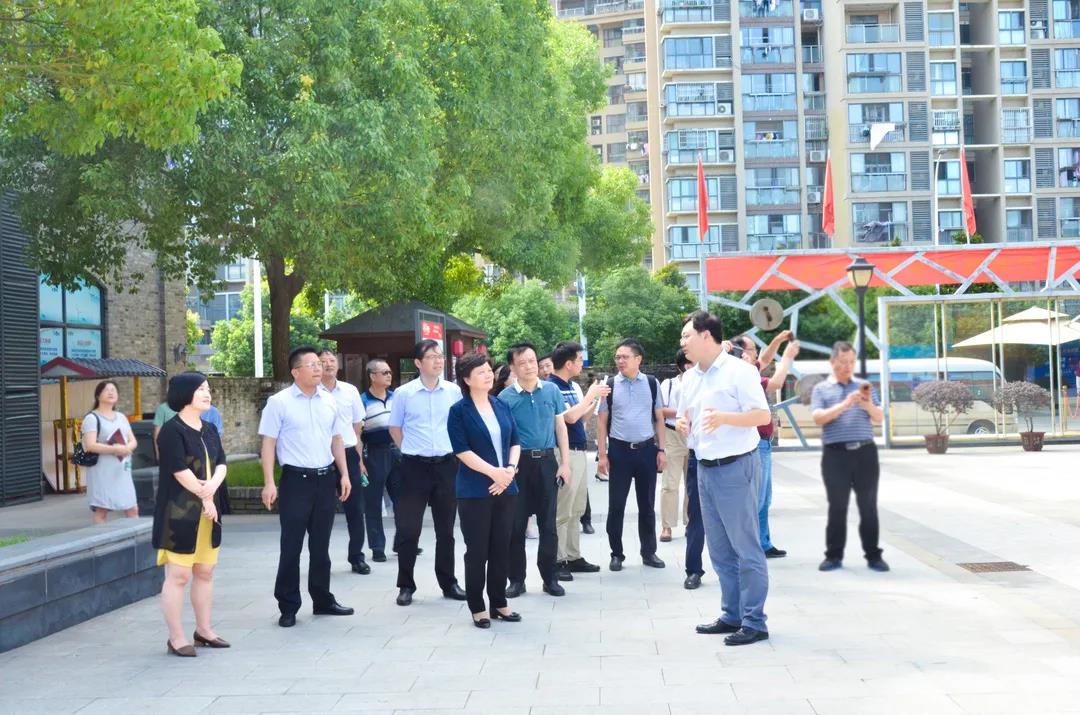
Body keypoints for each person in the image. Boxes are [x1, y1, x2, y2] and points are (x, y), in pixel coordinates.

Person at [677, 310, 772, 646]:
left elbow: (762, 415)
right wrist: (683, 424)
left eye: (687, 336)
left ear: (706, 336)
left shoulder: (740, 371)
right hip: (704, 468)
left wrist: (726, 418)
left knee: (746, 548)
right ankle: (732, 614)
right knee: (719, 550)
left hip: (736, 467)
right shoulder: (690, 378)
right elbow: (684, 417)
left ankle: (754, 621)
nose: (682, 342)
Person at [258, 346, 355, 628]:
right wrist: (269, 482)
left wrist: (344, 474)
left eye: (319, 364)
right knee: (291, 546)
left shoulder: (329, 401)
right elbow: (268, 443)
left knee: (321, 545)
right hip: (295, 481)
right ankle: (288, 605)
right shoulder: (279, 402)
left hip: (325, 479)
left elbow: (337, 439)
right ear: (295, 371)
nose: (318, 368)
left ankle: (323, 599)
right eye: (311, 364)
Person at [153, 372, 230, 657]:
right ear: (185, 394)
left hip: (208, 511)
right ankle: (176, 638)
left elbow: (221, 462)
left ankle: (204, 631)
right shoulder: (172, 430)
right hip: (179, 513)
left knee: (205, 571)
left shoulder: (209, 428)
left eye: (208, 389)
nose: (207, 394)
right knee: (179, 575)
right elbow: (178, 469)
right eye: (201, 389)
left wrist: (211, 490)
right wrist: (206, 496)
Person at [388, 340, 467, 606]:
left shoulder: (453, 391)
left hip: (447, 466)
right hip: (414, 468)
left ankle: (448, 582)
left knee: (446, 530)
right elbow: (395, 428)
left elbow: (459, 426)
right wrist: (410, 451)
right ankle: (406, 585)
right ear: (418, 363)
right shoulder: (404, 393)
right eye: (431, 356)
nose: (438, 360)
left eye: (440, 356)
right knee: (409, 529)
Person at [447, 351, 522, 628]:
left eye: (489, 370)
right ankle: (477, 607)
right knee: (477, 551)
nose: (488, 375)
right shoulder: (458, 411)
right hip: (475, 491)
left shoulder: (501, 405)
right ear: (467, 379)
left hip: (506, 487)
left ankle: (499, 603)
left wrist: (509, 470)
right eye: (481, 372)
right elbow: (462, 451)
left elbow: (515, 441)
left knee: (501, 547)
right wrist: (494, 473)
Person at [498, 342, 571, 598]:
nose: (529, 366)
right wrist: (507, 468)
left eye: (532, 361)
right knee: (515, 526)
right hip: (519, 466)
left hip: (547, 462)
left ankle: (550, 578)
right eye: (522, 363)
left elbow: (560, 427)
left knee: (548, 525)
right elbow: (504, 437)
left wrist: (565, 463)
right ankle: (516, 580)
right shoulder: (505, 398)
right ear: (512, 367)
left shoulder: (551, 390)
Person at [810, 341, 889, 573]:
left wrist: (866, 404)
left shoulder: (864, 387)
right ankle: (833, 555)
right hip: (835, 455)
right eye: (843, 362)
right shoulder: (821, 389)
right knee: (837, 506)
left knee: (868, 506)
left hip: (865, 453)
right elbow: (818, 418)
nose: (848, 366)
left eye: (851, 362)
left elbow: (879, 417)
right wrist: (845, 404)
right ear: (832, 362)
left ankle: (874, 555)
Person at [597, 339, 667, 572]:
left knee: (647, 506)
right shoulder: (609, 385)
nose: (620, 361)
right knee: (616, 506)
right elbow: (602, 422)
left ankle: (649, 552)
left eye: (625, 357)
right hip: (619, 452)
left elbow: (659, 418)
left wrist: (662, 450)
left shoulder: (651, 383)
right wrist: (602, 455)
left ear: (638, 359)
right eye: (617, 357)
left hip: (647, 451)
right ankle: (616, 554)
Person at [731, 333, 800, 558]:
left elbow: (766, 358)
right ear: (743, 354)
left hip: (763, 444)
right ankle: (751, 546)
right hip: (757, 444)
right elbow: (777, 383)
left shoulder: (748, 370)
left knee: (764, 498)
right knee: (758, 499)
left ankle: (763, 543)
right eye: (752, 350)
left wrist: (778, 340)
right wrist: (787, 357)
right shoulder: (746, 377)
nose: (756, 355)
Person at [548, 341, 609, 581]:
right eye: (579, 360)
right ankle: (558, 559)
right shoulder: (552, 387)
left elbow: (581, 417)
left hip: (579, 451)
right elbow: (569, 418)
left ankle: (573, 556)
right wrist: (590, 395)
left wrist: (594, 400)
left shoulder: (571, 387)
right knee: (563, 508)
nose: (582, 364)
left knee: (576, 508)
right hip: (564, 453)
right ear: (568, 363)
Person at [319, 349, 371, 575]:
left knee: (356, 509)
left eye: (332, 360)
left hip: (349, 453)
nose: (328, 364)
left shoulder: (350, 391)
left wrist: (359, 460)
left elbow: (357, 429)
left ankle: (357, 557)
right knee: (322, 511)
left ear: (338, 364)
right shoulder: (312, 392)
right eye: (323, 361)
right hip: (322, 456)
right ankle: (321, 559)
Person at [360, 359, 400, 562]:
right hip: (375, 454)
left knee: (403, 500)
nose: (389, 375)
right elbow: (357, 434)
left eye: (389, 372)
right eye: (384, 372)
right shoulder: (362, 401)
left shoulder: (396, 398)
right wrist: (360, 462)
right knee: (373, 502)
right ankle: (377, 547)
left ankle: (403, 542)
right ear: (372, 376)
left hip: (398, 452)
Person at [81, 381, 138, 523]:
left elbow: (133, 440)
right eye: (107, 390)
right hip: (102, 469)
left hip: (122, 469)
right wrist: (115, 449)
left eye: (114, 390)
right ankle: (101, 535)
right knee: (102, 509)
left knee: (132, 508)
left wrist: (127, 448)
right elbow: (90, 445)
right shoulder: (91, 418)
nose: (111, 392)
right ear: (98, 395)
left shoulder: (121, 417)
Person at [659, 350, 691, 544]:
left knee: (692, 485)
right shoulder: (669, 384)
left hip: (696, 435)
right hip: (673, 434)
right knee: (670, 484)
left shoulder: (703, 382)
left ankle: (691, 523)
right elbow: (661, 410)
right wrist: (684, 413)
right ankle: (667, 526)